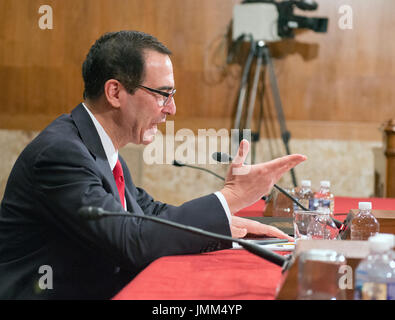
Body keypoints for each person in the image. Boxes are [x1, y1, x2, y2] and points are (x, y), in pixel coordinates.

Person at [0, 31, 306, 299]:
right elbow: (130, 242)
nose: (172, 109)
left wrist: (224, 225)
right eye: (163, 94)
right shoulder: (60, 154)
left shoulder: (97, 148)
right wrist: (230, 198)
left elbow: (150, 215)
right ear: (115, 92)